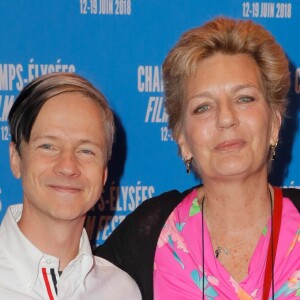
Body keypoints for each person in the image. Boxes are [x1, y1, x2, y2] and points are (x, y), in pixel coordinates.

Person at [96, 17, 300, 300]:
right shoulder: (150, 235)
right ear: (183, 139)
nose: (226, 118)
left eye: (244, 99)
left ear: (274, 124)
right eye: (203, 107)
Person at [0, 72, 141, 300]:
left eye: (86, 151)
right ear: (16, 158)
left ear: (104, 173)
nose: (67, 166)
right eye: (48, 146)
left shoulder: (123, 291)